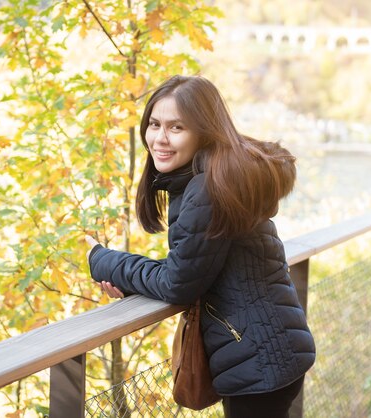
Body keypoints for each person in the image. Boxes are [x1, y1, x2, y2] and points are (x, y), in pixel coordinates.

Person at [86, 75, 315, 417]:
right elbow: (194, 264)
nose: (160, 138)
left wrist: (101, 260)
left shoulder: (208, 188)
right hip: (272, 351)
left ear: (204, 131)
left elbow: (179, 282)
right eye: (154, 124)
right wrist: (132, 281)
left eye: (176, 127)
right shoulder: (222, 175)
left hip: (258, 363)